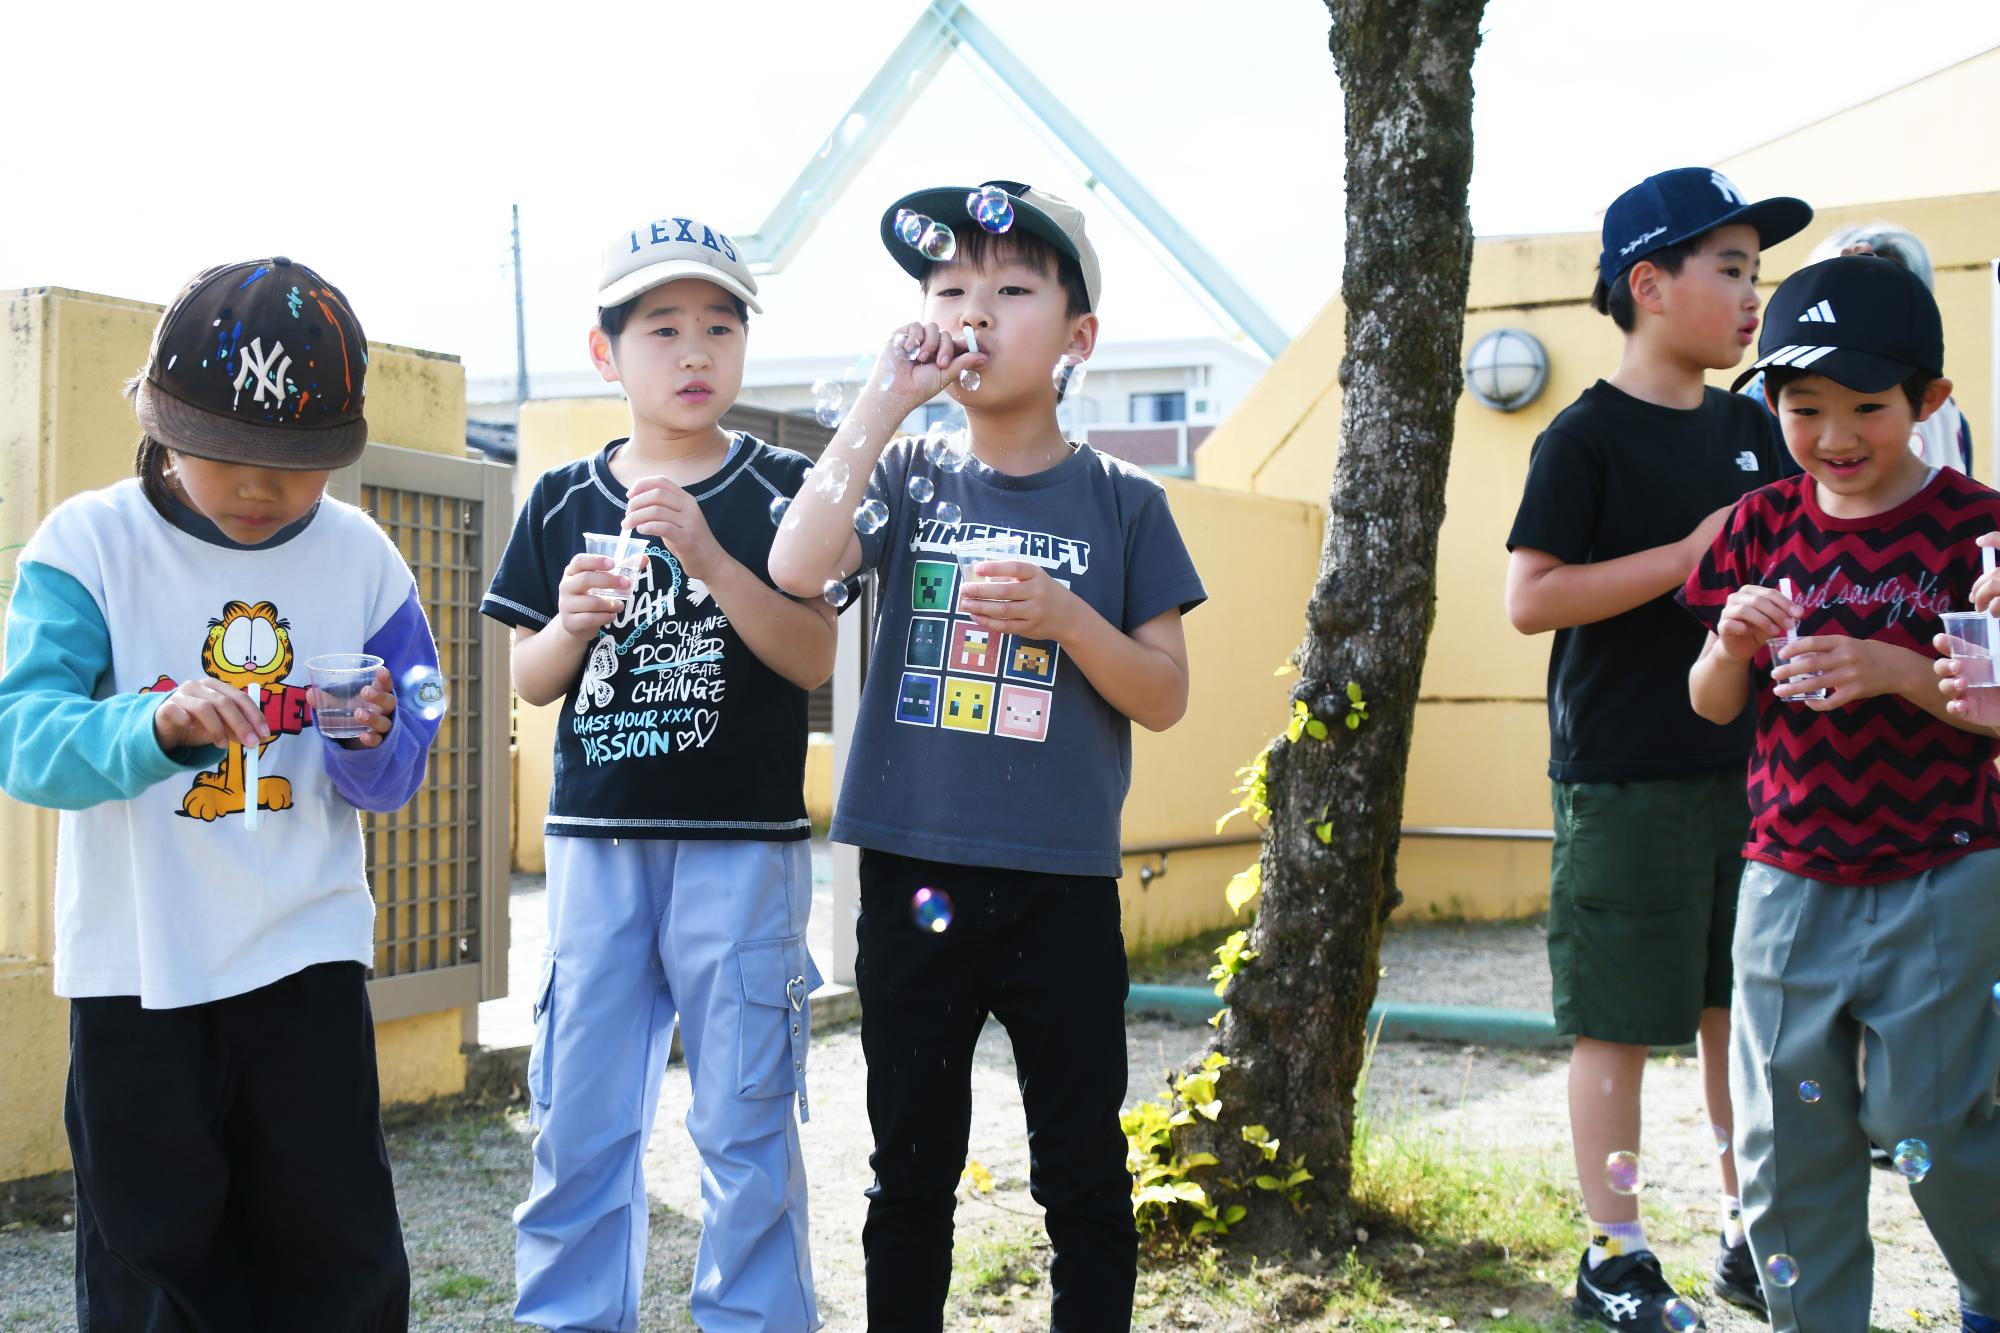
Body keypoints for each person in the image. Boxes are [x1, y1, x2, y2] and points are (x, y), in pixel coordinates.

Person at [768, 179, 1205, 1331]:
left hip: (1062, 881)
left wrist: (1067, 619)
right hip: (910, 869)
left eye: (1011, 289)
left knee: (1080, 1169)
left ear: (1077, 338)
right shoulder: (907, 474)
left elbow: (1161, 695)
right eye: (948, 287)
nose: (973, 311)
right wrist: (879, 398)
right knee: (909, 1166)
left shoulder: (1125, 503)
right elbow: (795, 567)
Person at [0, 257, 440, 1330]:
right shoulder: (89, 544)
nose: (259, 487)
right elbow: (23, 737)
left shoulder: (365, 557)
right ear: (157, 418)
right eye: (226, 454)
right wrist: (153, 724)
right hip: (137, 963)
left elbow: (405, 750)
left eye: (294, 465)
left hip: (306, 951)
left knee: (337, 1252)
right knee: (153, 1256)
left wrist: (375, 740)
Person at [483, 215, 838, 1333]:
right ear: (607, 355)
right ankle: (569, 1319)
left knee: (743, 1119)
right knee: (579, 1116)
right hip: (594, 849)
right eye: (663, 328)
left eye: (719, 327)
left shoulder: (784, 484)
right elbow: (525, 680)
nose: (694, 353)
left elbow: (813, 653)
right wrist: (573, 626)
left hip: (744, 852)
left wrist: (708, 556)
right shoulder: (557, 498)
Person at [1504, 167, 1812, 1328]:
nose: (1750, 297)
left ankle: (1749, 1228)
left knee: (1745, 1013)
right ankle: (1614, 1252)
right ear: (1646, 283)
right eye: (1728, 269)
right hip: (1622, 779)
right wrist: (1689, 556)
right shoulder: (1580, 439)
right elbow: (1530, 600)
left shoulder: (1755, 427)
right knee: (1620, 1021)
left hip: (1760, 776)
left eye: (1755, 272)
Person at [1682, 253, 2000, 1333]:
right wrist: (1726, 642)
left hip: (1943, 865)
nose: (1833, 435)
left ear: (1928, 402)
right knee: (1786, 1132)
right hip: (1784, 874)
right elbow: (1708, 704)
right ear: (1771, 404)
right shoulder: (1756, 526)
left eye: (1866, 405)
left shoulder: (1977, 531)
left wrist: (1895, 670)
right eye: (1802, 407)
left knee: (1933, 1116)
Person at [1740, 220, 1974, 475]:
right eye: (1807, 411)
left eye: (1868, 407)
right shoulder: (1776, 392)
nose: (1837, 441)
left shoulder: (1945, 414)